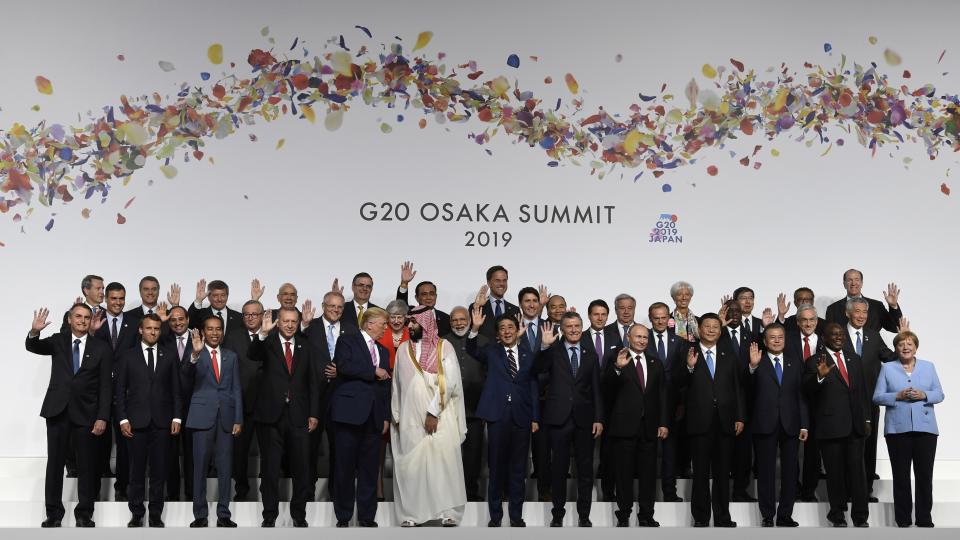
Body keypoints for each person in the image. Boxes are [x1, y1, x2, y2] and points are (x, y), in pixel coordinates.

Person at [27, 305, 111, 528]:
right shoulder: (58, 340)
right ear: (70, 319)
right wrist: (34, 331)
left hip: (87, 414)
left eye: (86, 317)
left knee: (87, 466)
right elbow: (33, 346)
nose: (82, 321)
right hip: (57, 411)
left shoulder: (101, 348)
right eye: (78, 317)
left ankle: (84, 513)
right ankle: (53, 514)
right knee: (54, 465)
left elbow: (105, 386)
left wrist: (102, 416)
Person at [391, 305, 467, 527]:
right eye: (410, 322)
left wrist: (433, 412)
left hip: (440, 419)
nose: (410, 326)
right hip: (410, 421)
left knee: (443, 465)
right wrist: (397, 414)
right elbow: (397, 385)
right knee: (413, 469)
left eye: (414, 322)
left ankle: (449, 513)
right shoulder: (403, 349)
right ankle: (412, 515)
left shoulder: (444, 348)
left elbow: (450, 382)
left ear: (426, 323)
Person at [467, 299, 539, 528]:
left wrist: (535, 417)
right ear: (498, 334)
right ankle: (495, 517)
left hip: (522, 415)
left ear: (518, 330)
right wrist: (475, 329)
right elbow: (472, 350)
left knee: (518, 469)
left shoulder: (528, 353)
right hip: (497, 415)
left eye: (511, 327)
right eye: (502, 329)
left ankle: (516, 517)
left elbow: (533, 387)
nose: (507, 331)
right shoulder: (491, 351)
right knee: (496, 468)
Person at [250, 307, 320, 527]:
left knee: (301, 468)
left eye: (294, 321)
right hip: (271, 417)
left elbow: (313, 383)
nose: (290, 325)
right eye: (285, 321)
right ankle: (269, 515)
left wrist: (314, 413)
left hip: (299, 416)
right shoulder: (267, 343)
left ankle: (299, 515)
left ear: (298, 323)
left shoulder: (306, 346)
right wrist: (262, 333)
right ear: (278, 322)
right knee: (270, 469)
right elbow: (252, 355)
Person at [674, 313, 745, 527]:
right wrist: (689, 367)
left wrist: (740, 416)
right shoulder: (687, 351)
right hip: (699, 421)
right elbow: (677, 383)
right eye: (707, 326)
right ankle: (702, 518)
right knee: (701, 473)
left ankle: (723, 517)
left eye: (716, 326)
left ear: (720, 330)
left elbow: (738, 388)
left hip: (725, 421)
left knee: (723, 473)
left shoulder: (729, 354)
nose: (712, 329)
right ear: (699, 329)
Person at [535, 312, 603, 527]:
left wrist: (599, 418)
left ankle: (584, 516)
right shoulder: (552, 351)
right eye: (569, 326)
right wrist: (544, 347)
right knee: (558, 470)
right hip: (558, 419)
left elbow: (596, 390)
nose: (573, 330)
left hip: (584, 420)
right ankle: (557, 515)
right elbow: (537, 370)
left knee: (585, 471)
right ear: (562, 329)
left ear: (581, 328)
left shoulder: (590, 354)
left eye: (577, 326)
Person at [115, 314, 182, 527]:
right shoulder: (127, 356)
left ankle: (155, 515)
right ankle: (136, 514)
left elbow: (176, 390)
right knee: (136, 472)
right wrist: (123, 419)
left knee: (159, 471)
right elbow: (119, 392)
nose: (153, 332)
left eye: (156, 328)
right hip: (135, 422)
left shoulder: (169, 355)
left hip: (162, 422)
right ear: (140, 330)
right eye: (149, 328)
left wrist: (177, 416)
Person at [803, 322, 871, 527]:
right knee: (836, 474)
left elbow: (862, 393)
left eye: (841, 334)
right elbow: (806, 390)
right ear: (824, 338)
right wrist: (819, 377)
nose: (839, 337)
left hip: (856, 426)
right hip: (830, 427)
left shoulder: (855, 359)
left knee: (858, 474)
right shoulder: (815, 361)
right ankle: (837, 515)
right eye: (834, 334)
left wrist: (867, 419)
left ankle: (860, 517)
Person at [873, 330, 944, 528]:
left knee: (924, 475)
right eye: (901, 344)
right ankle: (903, 519)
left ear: (915, 347)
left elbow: (939, 394)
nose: (905, 347)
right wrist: (897, 396)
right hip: (897, 430)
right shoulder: (887, 368)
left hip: (926, 429)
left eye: (909, 344)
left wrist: (924, 395)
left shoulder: (929, 367)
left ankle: (924, 518)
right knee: (901, 475)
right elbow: (877, 397)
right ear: (896, 349)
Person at [329, 307, 392, 527]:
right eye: (383, 323)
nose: (385, 328)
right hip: (349, 414)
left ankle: (367, 517)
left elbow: (384, 388)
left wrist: (385, 416)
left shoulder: (383, 351)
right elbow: (344, 366)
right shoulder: (347, 341)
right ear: (369, 323)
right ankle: (343, 516)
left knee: (369, 470)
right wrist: (372, 370)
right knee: (344, 468)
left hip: (373, 417)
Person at [603, 324, 668, 527]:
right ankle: (624, 515)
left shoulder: (655, 362)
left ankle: (646, 515)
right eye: (638, 336)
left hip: (649, 427)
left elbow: (662, 395)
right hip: (624, 426)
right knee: (623, 474)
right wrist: (617, 368)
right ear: (628, 338)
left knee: (648, 475)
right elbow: (605, 388)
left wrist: (663, 422)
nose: (642, 340)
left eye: (645, 337)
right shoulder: (617, 358)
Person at [182, 317, 243, 528]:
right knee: (199, 468)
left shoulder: (231, 356)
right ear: (204, 332)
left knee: (226, 468)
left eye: (218, 329)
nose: (215, 333)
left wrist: (238, 418)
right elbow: (185, 378)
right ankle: (200, 514)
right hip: (201, 417)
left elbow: (236, 388)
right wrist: (195, 354)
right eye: (210, 329)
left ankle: (224, 514)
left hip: (226, 418)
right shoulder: (195, 353)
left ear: (222, 332)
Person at [746, 324, 808, 527]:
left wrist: (804, 424)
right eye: (772, 337)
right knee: (765, 472)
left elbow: (802, 396)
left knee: (791, 473)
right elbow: (746, 391)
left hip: (791, 424)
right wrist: (752, 368)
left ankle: (785, 515)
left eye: (780, 337)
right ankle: (767, 515)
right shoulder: (756, 362)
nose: (776, 340)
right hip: (764, 423)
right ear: (765, 341)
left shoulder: (795, 362)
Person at [844, 297, 898, 500]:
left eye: (864, 312)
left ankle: (865, 491)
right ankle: (847, 491)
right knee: (847, 447)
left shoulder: (874, 336)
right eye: (857, 312)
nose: (861, 316)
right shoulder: (837, 334)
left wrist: (904, 341)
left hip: (869, 401)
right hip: (843, 401)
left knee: (868, 447)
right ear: (848, 313)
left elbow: (890, 357)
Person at [92, 281, 138, 501]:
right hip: (98, 390)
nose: (118, 302)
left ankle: (122, 487)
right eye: (113, 298)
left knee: (125, 441)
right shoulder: (95, 321)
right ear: (106, 299)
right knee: (97, 438)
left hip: (125, 391)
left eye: (121, 298)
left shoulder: (133, 322)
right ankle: (95, 485)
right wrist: (92, 332)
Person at [301, 291, 346, 498]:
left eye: (339, 307)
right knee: (309, 449)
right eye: (332, 306)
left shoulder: (351, 330)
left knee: (339, 449)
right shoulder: (310, 327)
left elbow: (356, 360)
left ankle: (336, 495)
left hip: (340, 396)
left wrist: (341, 370)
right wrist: (304, 326)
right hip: (313, 397)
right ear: (324, 305)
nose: (336, 310)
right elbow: (297, 348)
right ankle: (308, 493)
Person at [443, 306, 488, 501]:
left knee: (473, 453)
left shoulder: (484, 341)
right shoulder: (441, 343)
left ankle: (471, 492)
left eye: (462, 319)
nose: (459, 323)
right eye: (455, 320)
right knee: (448, 453)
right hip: (448, 408)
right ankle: (450, 493)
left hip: (475, 408)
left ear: (469, 320)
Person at [221, 300, 263, 501]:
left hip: (267, 404)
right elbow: (227, 370)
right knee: (239, 452)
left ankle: (268, 492)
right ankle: (241, 491)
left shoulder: (271, 334)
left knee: (270, 453)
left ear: (262, 315)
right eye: (246, 314)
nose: (250, 317)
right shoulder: (233, 336)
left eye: (255, 314)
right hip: (241, 403)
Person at [645, 301, 687, 502]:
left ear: (668, 318)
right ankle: (649, 493)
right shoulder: (642, 339)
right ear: (650, 318)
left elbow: (683, 376)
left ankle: (670, 492)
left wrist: (681, 403)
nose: (660, 321)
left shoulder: (679, 341)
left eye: (664, 317)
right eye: (656, 317)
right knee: (648, 450)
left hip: (672, 404)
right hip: (647, 402)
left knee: (670, 451)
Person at [718, 299, 756, 503]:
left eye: (737, 311)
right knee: (722, 450)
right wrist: (719, 326)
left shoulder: (752, 337)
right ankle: (721, 491)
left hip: (747, 401)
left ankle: (740, 490)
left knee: (743, 451)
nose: (734, 314)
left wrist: (752, 368)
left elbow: (757, 368)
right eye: (729, 310)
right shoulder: (716, 334)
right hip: (719, 400)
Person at [788, 304, 825, 502]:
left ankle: (809, 490)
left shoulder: (825, 341)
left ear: (817, 322)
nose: (808, 323)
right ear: (797, 322)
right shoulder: (788, 339)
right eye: (804, 320)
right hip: (792, 400)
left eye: (812, 320)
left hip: (818, 403)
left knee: (813, 451)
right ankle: (793, 488)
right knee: (791, 449)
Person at [160, 305, 194, 501]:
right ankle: (172, 495)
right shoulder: (163, 339)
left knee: (192, 454)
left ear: (188, 319)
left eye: (181, 319)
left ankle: (191, 496)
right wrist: (162, 323)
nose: (177, 323)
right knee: (170, 453)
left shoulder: (200, 338)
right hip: (169, 405)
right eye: (173, 320)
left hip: (194, 405)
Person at [377, 299, 410, 500]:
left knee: (404, 444)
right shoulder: (381, 334)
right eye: (393, 317)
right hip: (383, 390)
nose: (396, 320)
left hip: (407, 393)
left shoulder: (412, 334)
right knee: (380, 444)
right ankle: (379, 490)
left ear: (406, 318)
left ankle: (404, 493)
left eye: (400, 316)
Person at [824, 269, 903, 334]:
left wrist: (893, 306)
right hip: (844, 352)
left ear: (862, 283)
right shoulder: (833, 309)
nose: (853, 283)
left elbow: (895, 328)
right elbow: (829, 336)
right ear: (844, 284)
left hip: (871, 352)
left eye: (857, 280)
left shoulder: (877, 306)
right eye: (849, 280)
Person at [395, 261, 452, 336]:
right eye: (424, 294)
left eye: (431, 294)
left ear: (436, 296)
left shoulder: (446, 319)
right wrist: (404, 283)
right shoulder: (410, 314)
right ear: (417, 298)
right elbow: (400, 305)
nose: (428, 297)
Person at [473, 266, 520, 339]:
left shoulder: (515, 310)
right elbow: (470, 335)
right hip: (484, 350)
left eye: (504, 280)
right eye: (497, 280)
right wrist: (477, 307)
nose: (502, 283)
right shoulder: (478, 307)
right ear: (489, 283)